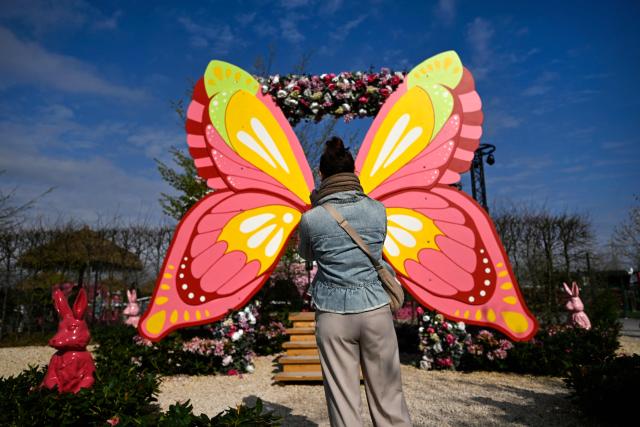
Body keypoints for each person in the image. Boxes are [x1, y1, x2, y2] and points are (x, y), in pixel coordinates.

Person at [297, 136, 413, 427]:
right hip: (375, 308)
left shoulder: (311, 219)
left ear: (321, 174)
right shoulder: (378, 210)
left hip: (333, 313)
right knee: (389, 398)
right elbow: (377, 247)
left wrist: (316, 204)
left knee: (343, 400)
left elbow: (306, 255)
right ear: (354, 172)